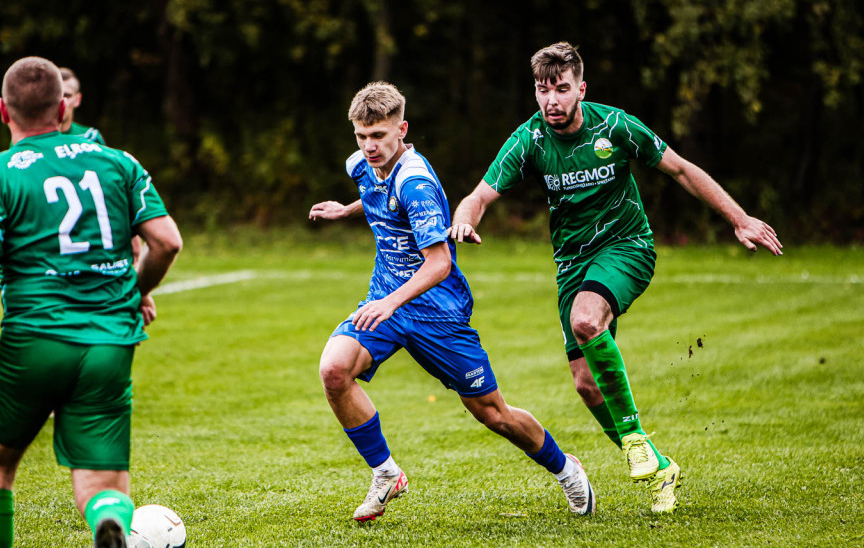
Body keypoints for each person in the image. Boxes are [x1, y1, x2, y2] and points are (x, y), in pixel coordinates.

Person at [449, 42, 782, 513]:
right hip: (572, 266)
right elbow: (478, 196)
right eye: (543, 91)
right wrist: (466, 219)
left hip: (627, 248)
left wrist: (739, 218)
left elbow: (682, 171)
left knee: (587, 321)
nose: (552, 101)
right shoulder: (530, 140)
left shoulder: (616, 126)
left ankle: (633, 441)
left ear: (581, 89)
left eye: (562, 89)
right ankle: (659, 465)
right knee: (586, 384)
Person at [0, 57, 182, 548]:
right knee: (100, 486)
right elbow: (166, 242)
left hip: (33, 343)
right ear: (64, 107)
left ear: (3, 111)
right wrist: (131, 292)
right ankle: (108, 526)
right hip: (109, 345)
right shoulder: (118, 163)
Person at [309, 81, 596, 522]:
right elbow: (375, 196)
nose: (369, 146)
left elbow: (439, 264)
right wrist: (346, 211)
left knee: (493, 413)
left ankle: (565, 469)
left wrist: (390, 304)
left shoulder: (417, 183)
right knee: (333, 369)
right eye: (362, 137)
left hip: (437, 311)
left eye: (379, 136)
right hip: (387, 301)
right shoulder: (362, 164)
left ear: (401, 129)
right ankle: (386, 473)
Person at [60, 67, 106, 145]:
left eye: (67, 95)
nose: (61, 101)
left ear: (78, 99)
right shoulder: (34, 137)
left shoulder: (90, 137)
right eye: (55, 95)